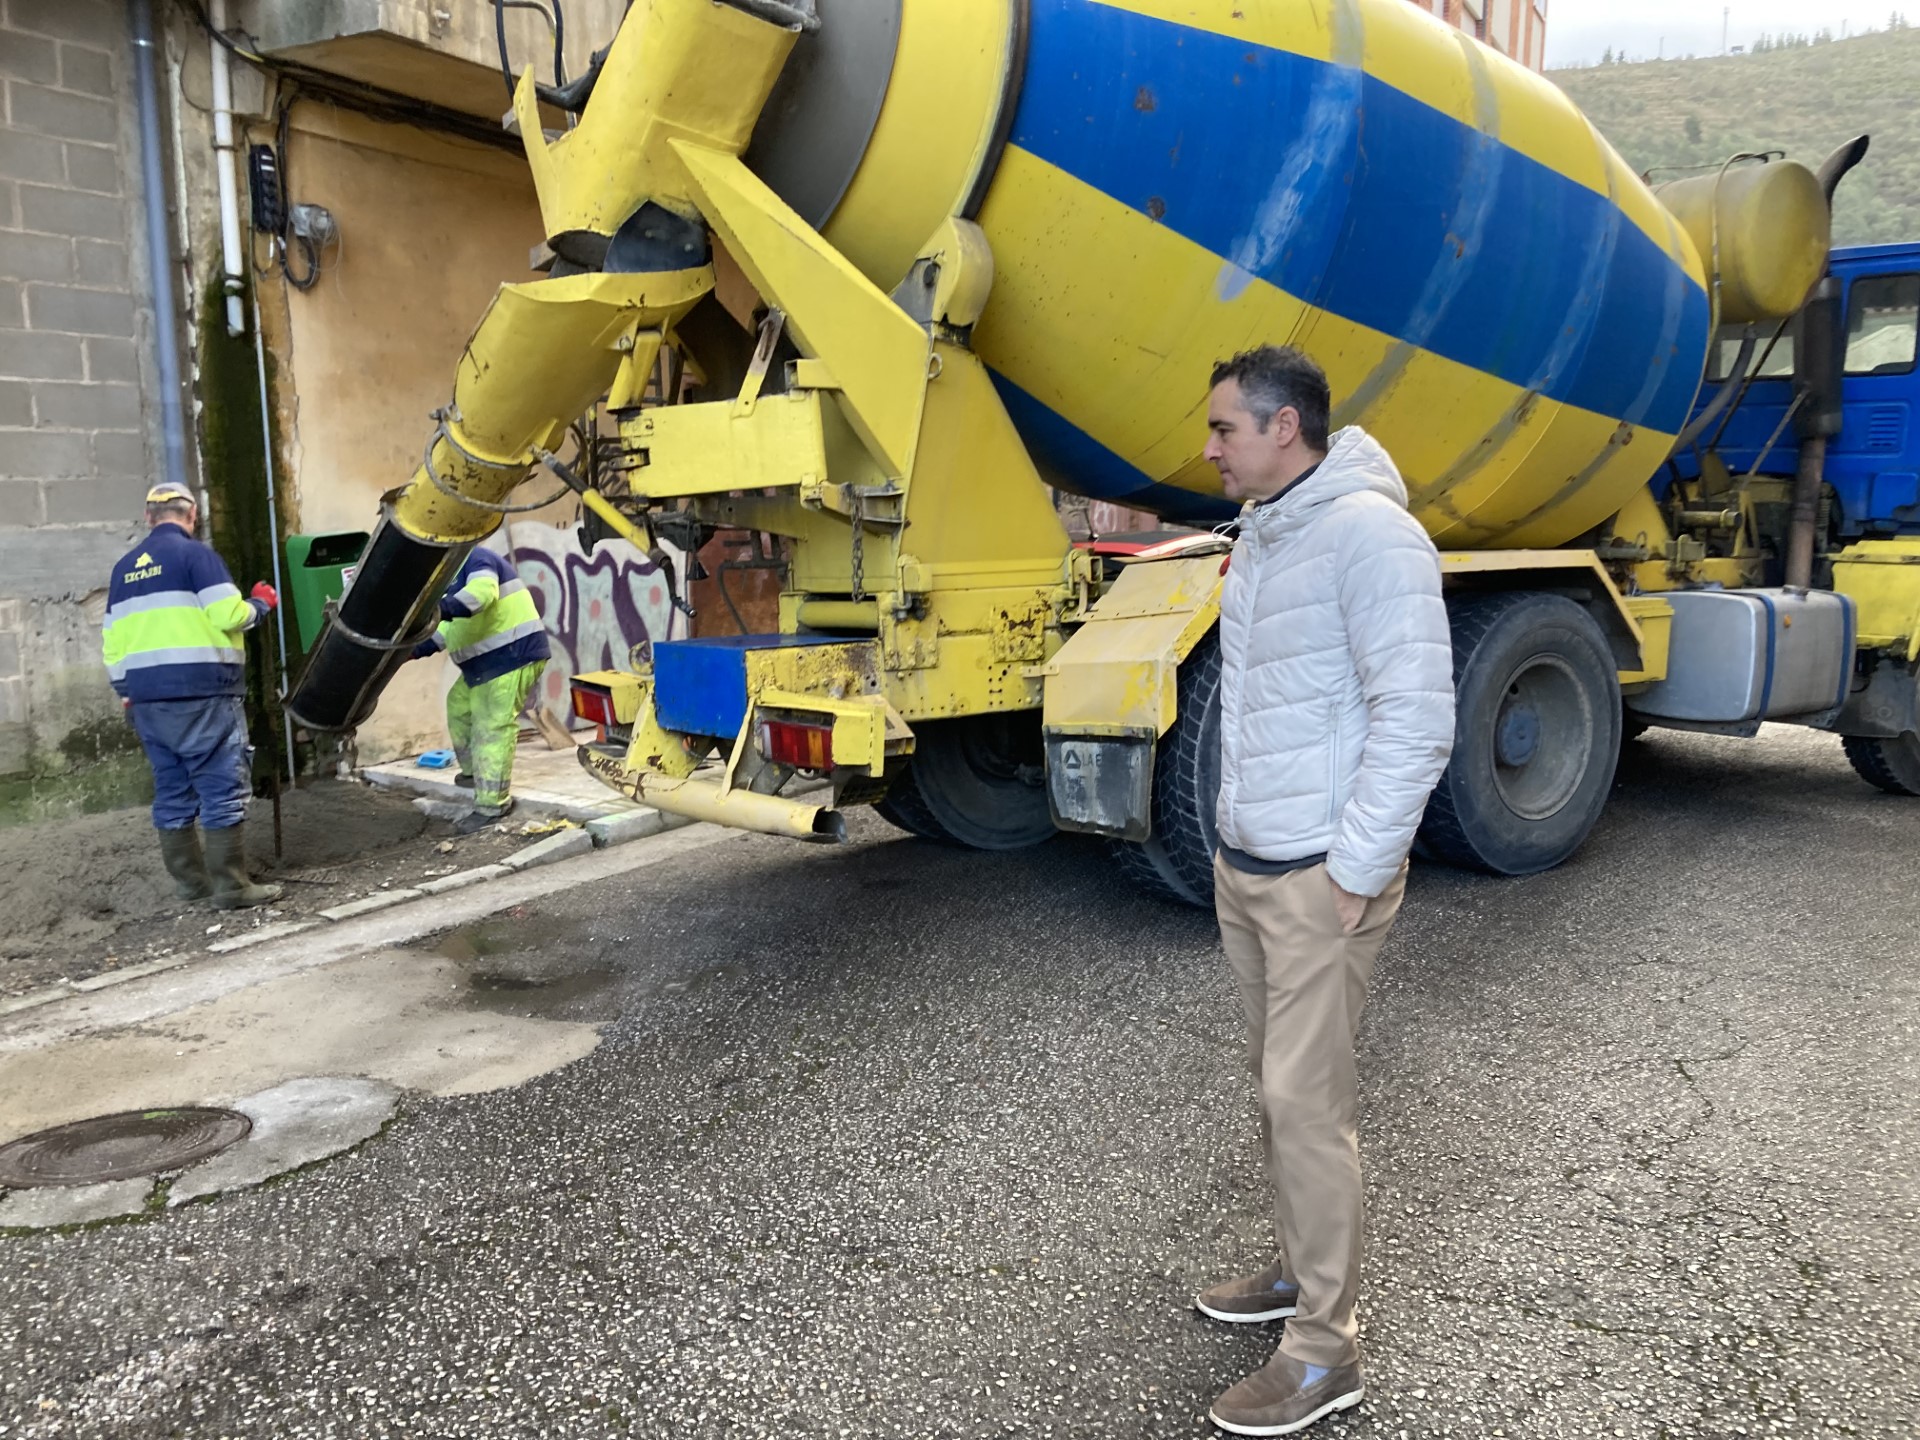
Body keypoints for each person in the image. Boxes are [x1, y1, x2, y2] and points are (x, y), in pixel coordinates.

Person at [1192, 347, 1456, 1436]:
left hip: (1316, 880)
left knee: (1308, 1108)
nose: (1208, 449)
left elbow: (1417, 714)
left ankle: (1324, 1353)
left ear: (1285, 428)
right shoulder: (1267, 532)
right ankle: (1307, 1273)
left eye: (1224, 430)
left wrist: (1354, 872)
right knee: (1277, 1091)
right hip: (1248, 866)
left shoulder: (1370, 537)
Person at [102, 482, 284, 909]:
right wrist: (260, 604)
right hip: (203, 695)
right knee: (221, 787)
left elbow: (112, 644)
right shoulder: (198, 557)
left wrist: (128, 693)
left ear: (148, 517)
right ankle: (233, 889)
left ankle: (192, 887)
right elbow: (228, 614)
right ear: (192, 516)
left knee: (172, 791)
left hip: (147, 702)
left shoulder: (124, 569)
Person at [410, 539, 551, 835]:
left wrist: (436, 608)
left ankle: (492, 804)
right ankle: (476, 774)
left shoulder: (477, 558)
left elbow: (481, 596)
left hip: (511, 655)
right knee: (458, 708)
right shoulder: (447, 582)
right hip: (485, 665)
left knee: (491, 726)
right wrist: (405, 651)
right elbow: (444, 632)